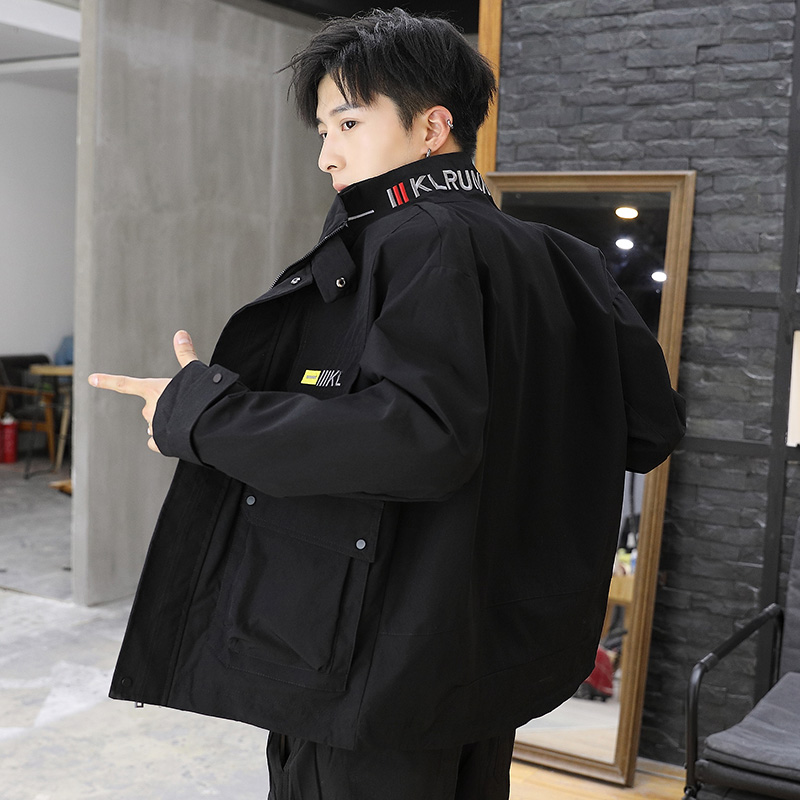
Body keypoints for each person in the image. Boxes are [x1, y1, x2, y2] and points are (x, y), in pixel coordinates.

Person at [89, 9, 686, 799]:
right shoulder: (563, 258)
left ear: (432, 126)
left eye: (347, 123)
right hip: (489, 657)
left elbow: (417, 436)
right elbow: (649, 430)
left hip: (376, 662)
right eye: (322, 131)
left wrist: (202, 415)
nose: (327, 154)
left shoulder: (413, 240)